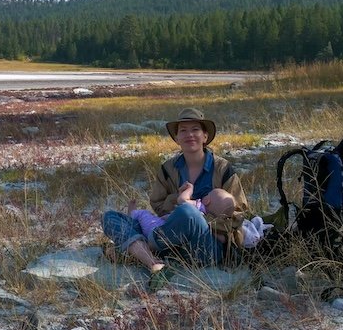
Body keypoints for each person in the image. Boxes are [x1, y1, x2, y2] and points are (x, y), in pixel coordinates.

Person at [101, 107, 251, 285]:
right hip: (170, 237)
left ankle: (137, 250)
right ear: (177, 138)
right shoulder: (168, 168)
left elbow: (238, 212)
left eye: (195, 129)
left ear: (205, 136)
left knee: (188, 213)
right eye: (183, 131)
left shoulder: (223, 169)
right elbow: (157, 204)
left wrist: (198, 216)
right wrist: (176, 203)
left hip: (205, 246)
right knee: (110, 217)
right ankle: (153, 261)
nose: (190, 135)